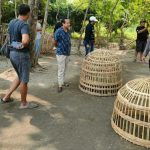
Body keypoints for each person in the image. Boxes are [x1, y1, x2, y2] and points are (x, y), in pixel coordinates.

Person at [0, 4, 38, 109]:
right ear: (28, 13)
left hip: (12, 54)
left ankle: (6, 97)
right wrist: (25, 43)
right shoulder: (24, 25)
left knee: (20, 77)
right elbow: (25, 40)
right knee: (24, 80)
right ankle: (24, 103)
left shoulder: (12, 22)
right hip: (21, 55)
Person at [54, 18, 71, 93]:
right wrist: (58, 47)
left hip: (67, 52)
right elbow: (55, 41)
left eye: (69, 23)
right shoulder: (59, 31)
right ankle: (60, 85)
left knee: (65, 69)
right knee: (61, 69)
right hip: (60, 53)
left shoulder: (68, 31)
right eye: (67, 23)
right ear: (63, 24)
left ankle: (63, 82)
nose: (68, 24)